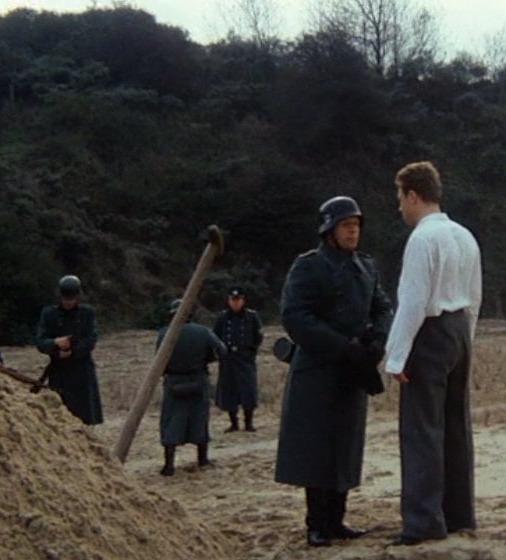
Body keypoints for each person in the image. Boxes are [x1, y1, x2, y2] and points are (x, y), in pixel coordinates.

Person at [275, 196, 393, 548]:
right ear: (329, 230)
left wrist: (378, 340)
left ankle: (337, 519)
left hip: (354, 370)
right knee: (315, 446)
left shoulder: (366, 267)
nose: (353, 231)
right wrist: (341, 346)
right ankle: (316, 523)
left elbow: (382, 306)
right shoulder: (308, 266)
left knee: (345, 445)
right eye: (346, 225)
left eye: (356, 225)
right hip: (318, 367)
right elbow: (295, 316)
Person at [383, 161, 482, 546]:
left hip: (430, 332)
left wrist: (396, 356)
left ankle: (423, 521)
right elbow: (475, 295)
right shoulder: (465, 236)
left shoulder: (423, 239)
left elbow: (412, 301)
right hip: (458, 329)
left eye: (400, 198)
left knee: (421, 429)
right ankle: (459, 514)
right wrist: (466, 340)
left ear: (413, 195)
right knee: (456, 426)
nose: (399, 208)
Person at [158, 298, 227, 476]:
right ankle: (202, 460)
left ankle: (169, 465)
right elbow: (222, 350)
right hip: (198, 379)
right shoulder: (203, 332)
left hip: (174, 382)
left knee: (171, 422)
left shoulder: (164, 334)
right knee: (199, 420)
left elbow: (159, 361)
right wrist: (207, 359)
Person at [35, 275, 103, 426]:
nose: (68, 303)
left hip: (82, 369)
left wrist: (74, 351)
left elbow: (91, 339)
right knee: (60, 415)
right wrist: (55, 343)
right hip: (58, 370)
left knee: (85, 416)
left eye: (71, 299)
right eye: (65, 299)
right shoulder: (49, 314)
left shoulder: (87, 313)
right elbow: (40, 341)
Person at [213, 286, 264, 432]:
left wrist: (251, 351)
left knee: (248, 390)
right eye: (233, 300)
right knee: (229, 391)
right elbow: (215, 336)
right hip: (228, 358)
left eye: (238, 300)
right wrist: (221, 353)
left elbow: (258, 335)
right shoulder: (222, 317)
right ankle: (233, 423)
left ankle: (249, 422)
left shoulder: (252, 316)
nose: (235, 303)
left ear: (243, 300)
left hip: (245, 357)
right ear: (228, 301)